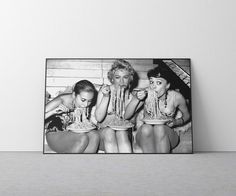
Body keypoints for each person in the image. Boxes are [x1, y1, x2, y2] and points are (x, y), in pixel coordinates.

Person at [125, 65, 190, 153]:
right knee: (146, 128)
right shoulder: (145, 93)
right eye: (151, 82)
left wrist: (176, 122)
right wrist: (136, 98)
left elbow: (187, 115)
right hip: (145, 134)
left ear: (167, 85)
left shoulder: (176, 97)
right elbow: (126, 116)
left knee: (159, 128)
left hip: (167, 134)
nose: (153, 87)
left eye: (158, 83)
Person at [95, 59, 138, 153]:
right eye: (117, 77)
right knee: (109, 132)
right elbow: (99, 118)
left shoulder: (133, 97)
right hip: (104, 134)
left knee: (122, 133)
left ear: (130, 79)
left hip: (124, 134)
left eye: (125, 77)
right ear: (112, 78)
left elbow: (131, 122)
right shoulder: (105, 91)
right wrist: (106, 97)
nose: (121, 81)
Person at [45, 80, 100, 153]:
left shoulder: (85, 104)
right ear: (74, 95)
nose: (86, 104)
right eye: (83, 100)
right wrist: (53, 111)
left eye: (89, 101)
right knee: (83, 138)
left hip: (74, 134)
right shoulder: (62, 100)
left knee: (95, 135)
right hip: (55, 135)